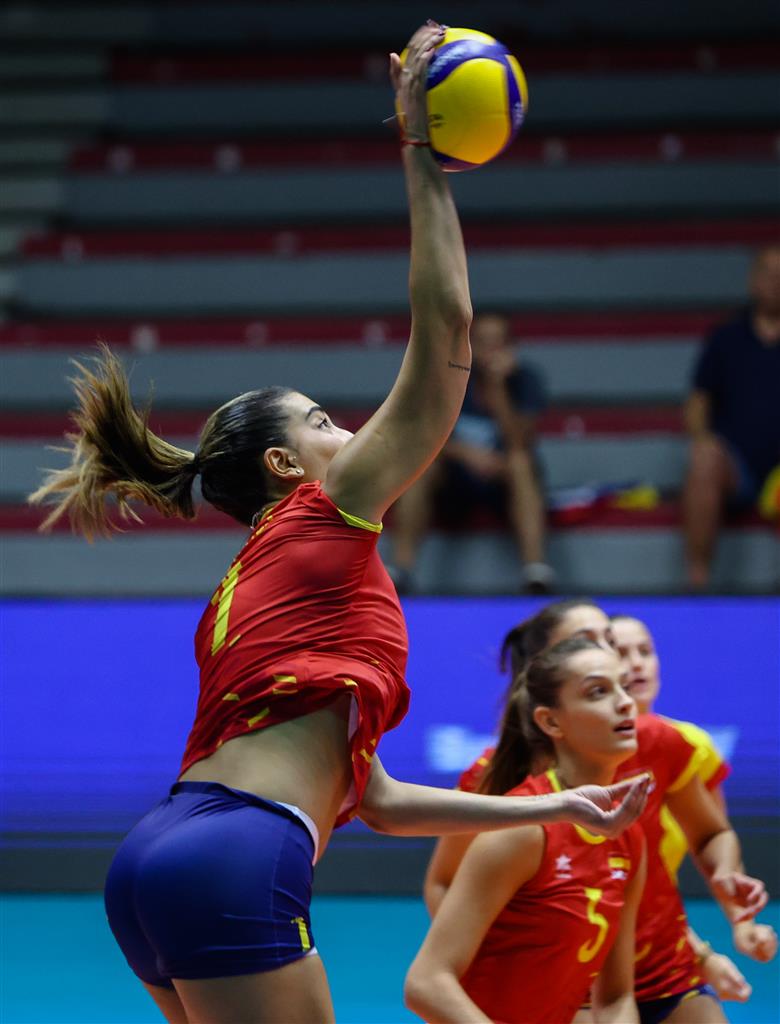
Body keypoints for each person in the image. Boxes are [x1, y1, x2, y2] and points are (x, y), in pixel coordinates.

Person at [28, 25, 649, 1024]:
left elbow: (379, 801)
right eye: (321, 422)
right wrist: (422, 156)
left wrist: (558, 804)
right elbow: (445, 337)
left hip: (161, 854)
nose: (349, 432)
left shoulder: (251, 585)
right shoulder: (324, 512)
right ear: (284, 466)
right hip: (238, 852)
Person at [425, 601, 769, 1023]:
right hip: (561, 986)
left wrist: (710, 939)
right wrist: (487, 961)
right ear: (549, 669)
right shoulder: (505, 792)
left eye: (609, 640)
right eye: (588, 643)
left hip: (658, 970)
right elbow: (442, 896)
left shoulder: (649, 761)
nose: (614, 652)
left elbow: (696, 845)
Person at [406, 637, 647, 1024]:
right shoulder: (524, 831)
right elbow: (426, 983)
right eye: (598, 692)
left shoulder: (628, 835)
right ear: (551, 721)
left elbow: (616, 997)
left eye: (624, 686)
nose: (625, 703)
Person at [612, 614, 778, 1003]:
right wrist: (703, 957)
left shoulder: (689, 746)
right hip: (601, 938)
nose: (636, 664)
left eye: (645, 651)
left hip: (657, 932)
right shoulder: (594, 759)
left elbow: (712, 838)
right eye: (620, 653)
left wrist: (742, 921)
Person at [389, 310, 554, 594]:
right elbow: (425, 436)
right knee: (421, 465)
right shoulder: (447, 378)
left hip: (503, 480)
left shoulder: (526, 379)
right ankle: (400, 570)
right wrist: (469, 455)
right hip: (454, 479)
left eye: (498, 342)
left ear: (511, 346)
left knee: (520, 462)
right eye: (482, 341)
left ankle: (535, 570)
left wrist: (497, 387)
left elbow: (519, 442)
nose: (490, 349)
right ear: (468, 344)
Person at [682, 244, 780, 589]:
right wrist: (702, 438)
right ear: (754, 281)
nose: (776, 281)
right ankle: (698, 583)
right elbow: (697, 403)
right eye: (769, 273)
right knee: (704, 458)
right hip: (738, 467)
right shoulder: (726, 338)